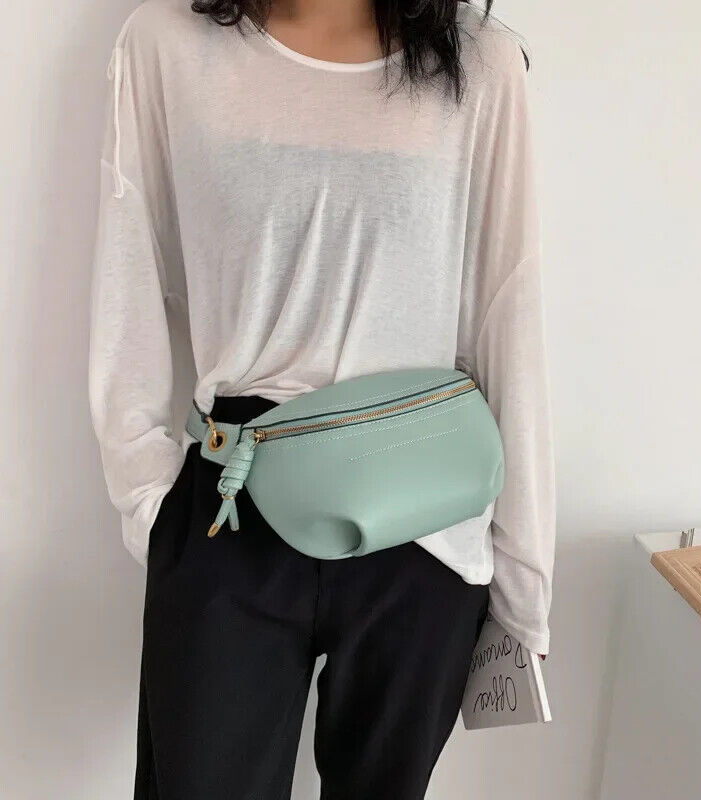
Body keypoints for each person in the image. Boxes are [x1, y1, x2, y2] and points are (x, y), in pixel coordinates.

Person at [88, 0, 555, 797]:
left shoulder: (481, 64)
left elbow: (509, 311)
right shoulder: (168, 45)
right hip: (232, 503)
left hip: (425, 527)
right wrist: (150, 503)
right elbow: (130, 274)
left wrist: (523, 580)